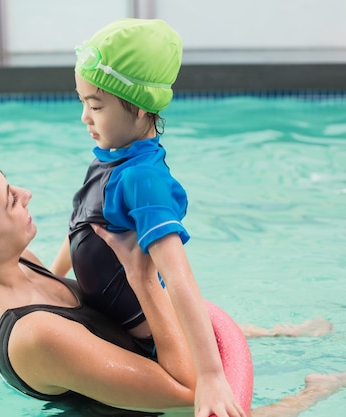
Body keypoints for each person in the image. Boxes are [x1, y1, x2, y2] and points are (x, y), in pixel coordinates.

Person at [0, 161, 346, 416]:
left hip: (127, 350)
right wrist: (141, 273)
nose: (26, 194)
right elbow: (188, 391)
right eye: (11, 200)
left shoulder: (5, 260)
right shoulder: (36, 336)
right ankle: (311, 395)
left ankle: (272, 333)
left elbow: (84, 291)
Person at [50, 17, 241, 416]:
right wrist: (54, 281)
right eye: (83, 103)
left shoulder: (142, 180)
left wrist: (208, 375)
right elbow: (83, 227)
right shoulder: (110, 158)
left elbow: (178, 276)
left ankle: (313, 392)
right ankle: (272, 333)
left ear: (137, 109)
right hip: (115, 319)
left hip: (151, 343)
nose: (84, 117)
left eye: (96, 105)